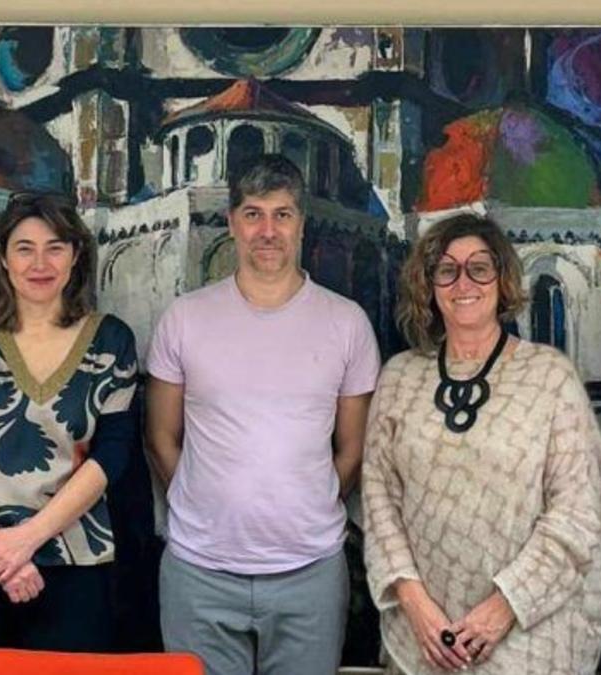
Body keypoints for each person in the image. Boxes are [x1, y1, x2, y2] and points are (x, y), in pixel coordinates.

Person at [146, 154, 380, 675]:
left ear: (302, 223)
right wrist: (208, 504)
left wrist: (303, 504)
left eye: (282, 214)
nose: (267, 231)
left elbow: (353, 449)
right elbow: (161, 437)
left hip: (309, 573)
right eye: (253, 214)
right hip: (199, 572)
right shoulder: (185, 318)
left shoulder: (346, 323)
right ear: (232, 222)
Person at [362, 213, 601, 674]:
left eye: (479, 267)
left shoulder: (550, 376)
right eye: (447, 269)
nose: (464, 283)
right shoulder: (399, 377)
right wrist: (416, 606)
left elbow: (580, 507)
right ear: (429, 284)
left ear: (503, 278)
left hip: (528, 638)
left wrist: (503, 608)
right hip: (425, 639)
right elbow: (379, 499)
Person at [0, 192, 139, 674]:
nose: (40, 263)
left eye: (55, 247)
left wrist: (28, 539)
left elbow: (112, 455)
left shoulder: (111, 340)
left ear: (76, 255)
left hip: (75, 569)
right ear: (2, 257)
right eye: (24, 248)